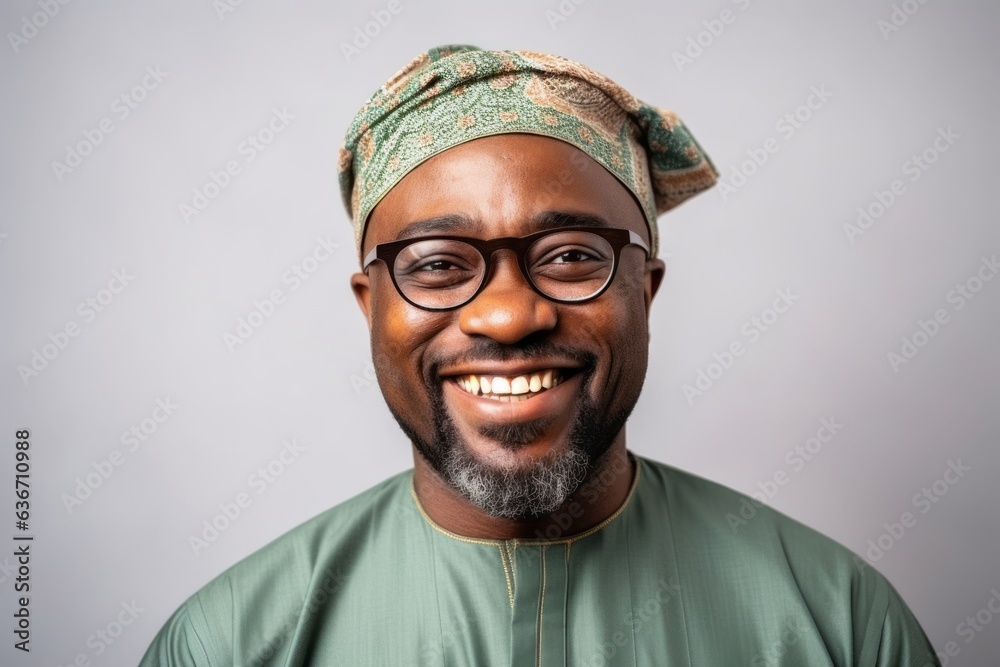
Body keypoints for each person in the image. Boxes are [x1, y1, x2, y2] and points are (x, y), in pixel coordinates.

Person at [140, 44, 939, 666]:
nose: (509, 313)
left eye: (569, 255)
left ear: (646, 290)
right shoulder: (233, 641)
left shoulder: (838, 621)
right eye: (439, 265)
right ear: (370, 306)